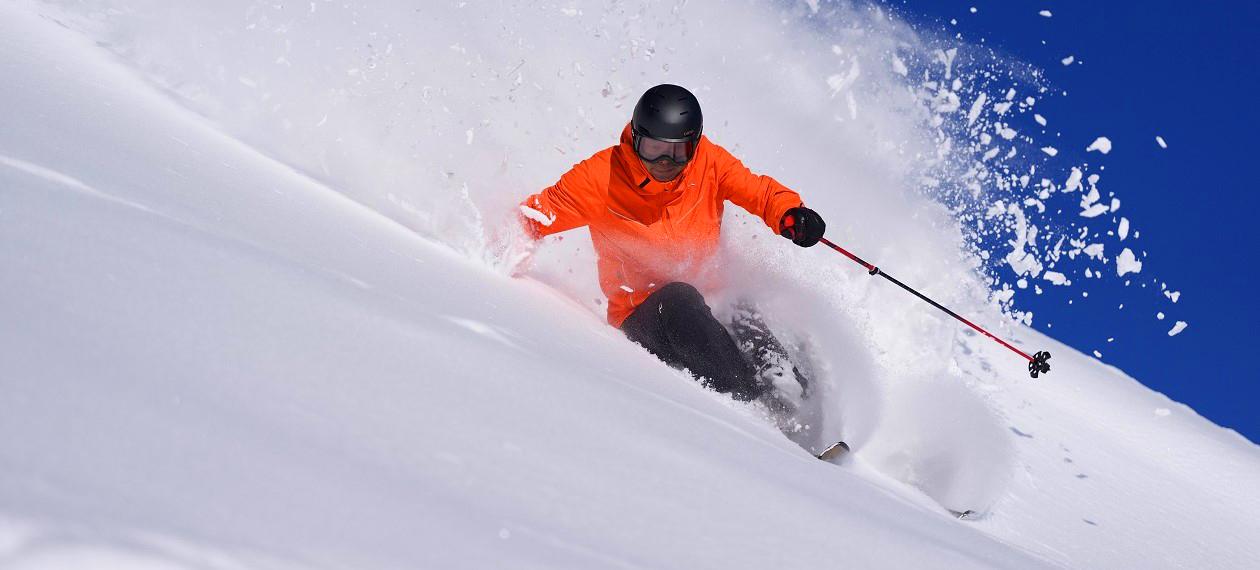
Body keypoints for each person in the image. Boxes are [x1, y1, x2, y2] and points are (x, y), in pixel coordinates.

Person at [519, 84, 826, 405]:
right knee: (680, 296)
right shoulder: (601, 177)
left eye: (678, 151)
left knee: (739, 309)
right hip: (644, 315)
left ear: (694, 146)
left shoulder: (709, 163)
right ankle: (753, 409)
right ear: (635, 140)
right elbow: (535, 217)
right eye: (653, 149)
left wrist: (790, 214)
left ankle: (796, 403)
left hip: (710, 300)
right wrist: (484, 248)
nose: (664, 161)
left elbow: (759, 192)